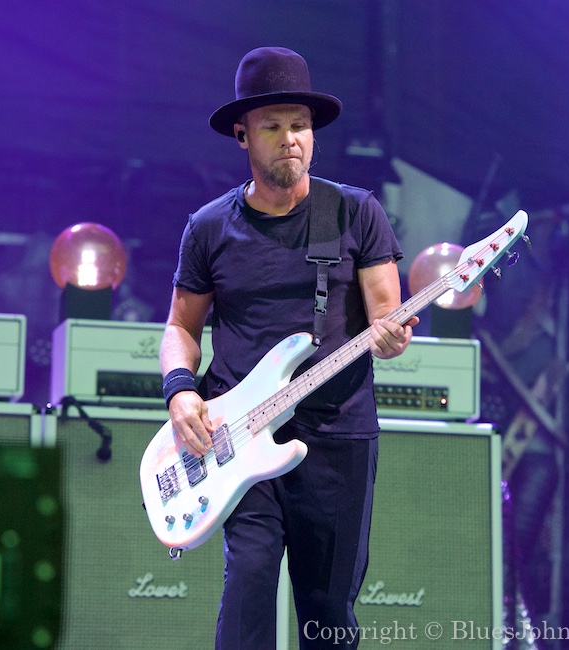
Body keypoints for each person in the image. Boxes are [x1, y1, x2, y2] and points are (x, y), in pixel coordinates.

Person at [158, 46, 418, 649]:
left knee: (328, 607)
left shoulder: (356, 212)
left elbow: (388, 314)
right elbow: (180, 327)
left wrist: (392, 335)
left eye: (299, 125)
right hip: (241, 432)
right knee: (248, 579)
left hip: (337, 434)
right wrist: (180, 393)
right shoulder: (208, 227)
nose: (290, 139)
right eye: (272, 127)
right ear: (242, 135)